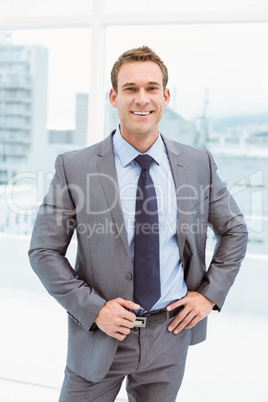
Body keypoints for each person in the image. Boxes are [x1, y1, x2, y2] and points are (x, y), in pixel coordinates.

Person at [29, 46, 248, 402]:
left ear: (166, 95)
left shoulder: (198, 163)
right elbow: (43, 250)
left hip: (169, 336)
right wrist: (94, 309)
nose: (141, 99)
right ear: (114, 97)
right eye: (130, 88)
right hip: (99, 336)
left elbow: (235, 229)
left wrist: (209, 294)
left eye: (151, 88)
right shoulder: (75, 167)